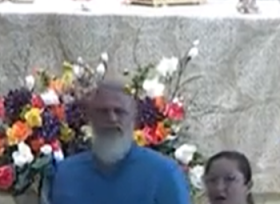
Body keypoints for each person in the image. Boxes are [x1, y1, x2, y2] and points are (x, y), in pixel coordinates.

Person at [49, 79, 190, 204]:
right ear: (90, 117)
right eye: (103, 111)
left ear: (134, 118)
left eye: (120, 111)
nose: (112, 118)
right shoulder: (67, 174)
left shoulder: (164, 174)